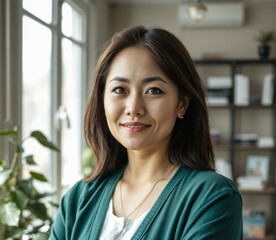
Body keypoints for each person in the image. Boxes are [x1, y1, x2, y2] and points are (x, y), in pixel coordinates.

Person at [49, 26, 242, 240]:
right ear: (102, 99)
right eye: (120, 89)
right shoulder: (78, 199)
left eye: (153, 90)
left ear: (182, 104)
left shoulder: (211, 198)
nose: (134, 107)